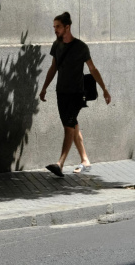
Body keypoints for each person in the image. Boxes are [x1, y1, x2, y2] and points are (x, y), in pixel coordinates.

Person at [39, 12, 111, 177]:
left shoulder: (81, 47)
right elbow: (53, 68)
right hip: (61, 92)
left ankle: (60, 163)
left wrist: (104, 89)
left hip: (76, 93)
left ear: (67, 27)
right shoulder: (56, 46)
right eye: (54, 27)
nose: (55, 30)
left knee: (68, 126)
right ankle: (85, 160)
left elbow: (93, 69)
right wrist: (44, 88)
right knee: (72, 125)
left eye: (58, 26)